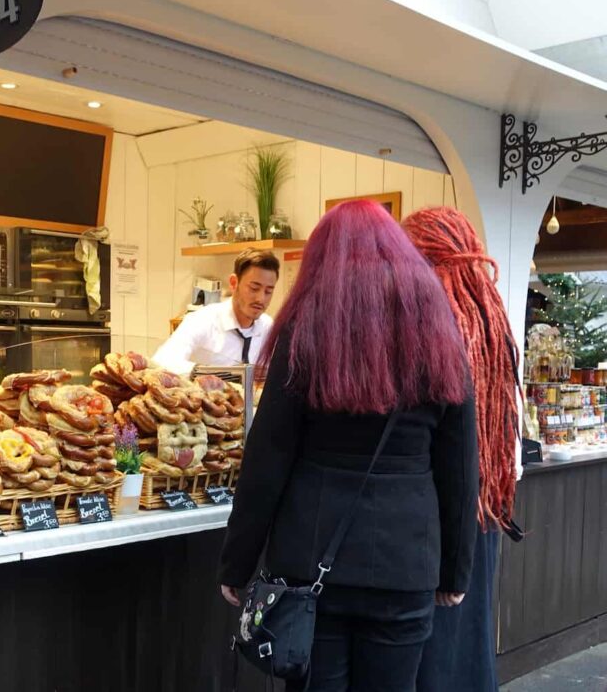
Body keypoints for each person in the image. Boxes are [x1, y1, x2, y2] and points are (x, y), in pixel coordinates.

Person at [218, 200, 480, 692]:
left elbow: (268, 458)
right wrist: (455, 571)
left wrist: (237, 562)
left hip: (314, 563)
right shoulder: (439, 332)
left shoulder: (305, 330)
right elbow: (461, 467)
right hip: (406, 561)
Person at [404, 207, 521, 692]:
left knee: (428, 653)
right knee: (467, 649)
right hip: (483, 507)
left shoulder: (431, 323)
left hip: (435, 512)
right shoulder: (488, 314)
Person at [152, 248, 278, 374]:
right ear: (234, 283)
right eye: (254, 288)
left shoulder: (268, 327)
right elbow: (162, 361)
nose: (261, 299)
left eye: (268, 291)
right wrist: (208, 374)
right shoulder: (202, 320)